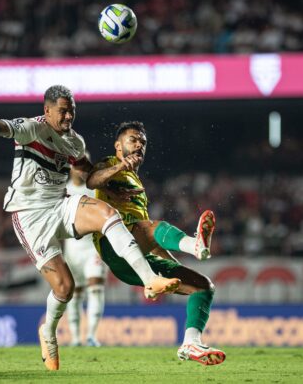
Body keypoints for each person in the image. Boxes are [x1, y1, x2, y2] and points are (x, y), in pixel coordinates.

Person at [0, 85, 181, 371]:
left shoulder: (74, 142)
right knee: (65, 287)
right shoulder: (30, 129)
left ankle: (150, 279)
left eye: (72, 110)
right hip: (29, 217)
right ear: (46, 109)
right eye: (63, 110)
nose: (68, 116)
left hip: (60, 205)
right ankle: (48, 331)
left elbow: (90, 177)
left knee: (107, 214)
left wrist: (117, 172)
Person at [87, 121, 226, 366]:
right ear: (118, 145)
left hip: (137, 257)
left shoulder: (138, 186)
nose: (139, 145)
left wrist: (175, 270)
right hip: (114, 247)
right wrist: (119, 165)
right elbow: (92, 181)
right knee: (148, 226)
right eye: (133, 140)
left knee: (204, 286)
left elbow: (151, 241)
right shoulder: (109, 163)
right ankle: (196, 245)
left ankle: (191, 343)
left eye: (143, 142)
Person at [62, 165, 106, 347]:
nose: (80, 171)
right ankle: (75, 338)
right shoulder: (62, 190)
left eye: (82, 167)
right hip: (72, 249)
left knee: (96, 289)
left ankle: (91, 336)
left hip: (92, 248)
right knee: (74, 293)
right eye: (76, 167)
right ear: (70, 169)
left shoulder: (94, 190)